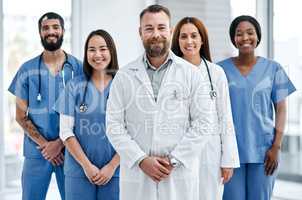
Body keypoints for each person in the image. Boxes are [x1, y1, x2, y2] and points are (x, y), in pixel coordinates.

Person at [106, 4, 211, 200]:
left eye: (162, 27)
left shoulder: (191, 74)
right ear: (140, 32)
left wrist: (174, 160)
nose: (156, 34)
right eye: (149, 28)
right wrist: (141, 160)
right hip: (138, 176)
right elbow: (113, 125)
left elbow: (203, 123)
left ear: (170, 31)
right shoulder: (124, 76)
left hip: (178, 175)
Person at [217, 15, 296, 200]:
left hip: (264, 152)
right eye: (239, 34)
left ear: (258, 36)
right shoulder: (219, 70)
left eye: (250, 32)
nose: (245, 37)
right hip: (230, 152)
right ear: (233, 39)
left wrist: (276, 146)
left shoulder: (274, 69)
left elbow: (282, 109)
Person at [8, 12, 82, 200]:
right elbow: (20, 115)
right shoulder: (27, 69)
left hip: (70, 151)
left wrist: (59, 144)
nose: (51, 32)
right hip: (37, 152)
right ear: (40, 33)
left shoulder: (78, 68)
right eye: (46, 28)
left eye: (55, 27)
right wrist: (46, 146)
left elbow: (84, 112)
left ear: (63, 31)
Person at [171, 17, 240, 200]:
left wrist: (228, 160)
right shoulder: (170, 73)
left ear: (202, 40)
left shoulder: (216, 73)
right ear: (177, 41)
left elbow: (225, 116)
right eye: (183, 36)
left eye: (194, 35)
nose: (189, 41)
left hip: (210, 153)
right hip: (179, 151)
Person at [54, 29, 120, 200]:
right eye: (92, 49)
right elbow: (66, 131)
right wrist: (87, 166)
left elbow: (134, 132)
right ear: (86, 54)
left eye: (103, 48)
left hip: (116, 171)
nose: (97, 54)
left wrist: (112, 167)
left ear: (111, 51)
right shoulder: (74, 86)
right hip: (79, 172)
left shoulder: (124, 86)